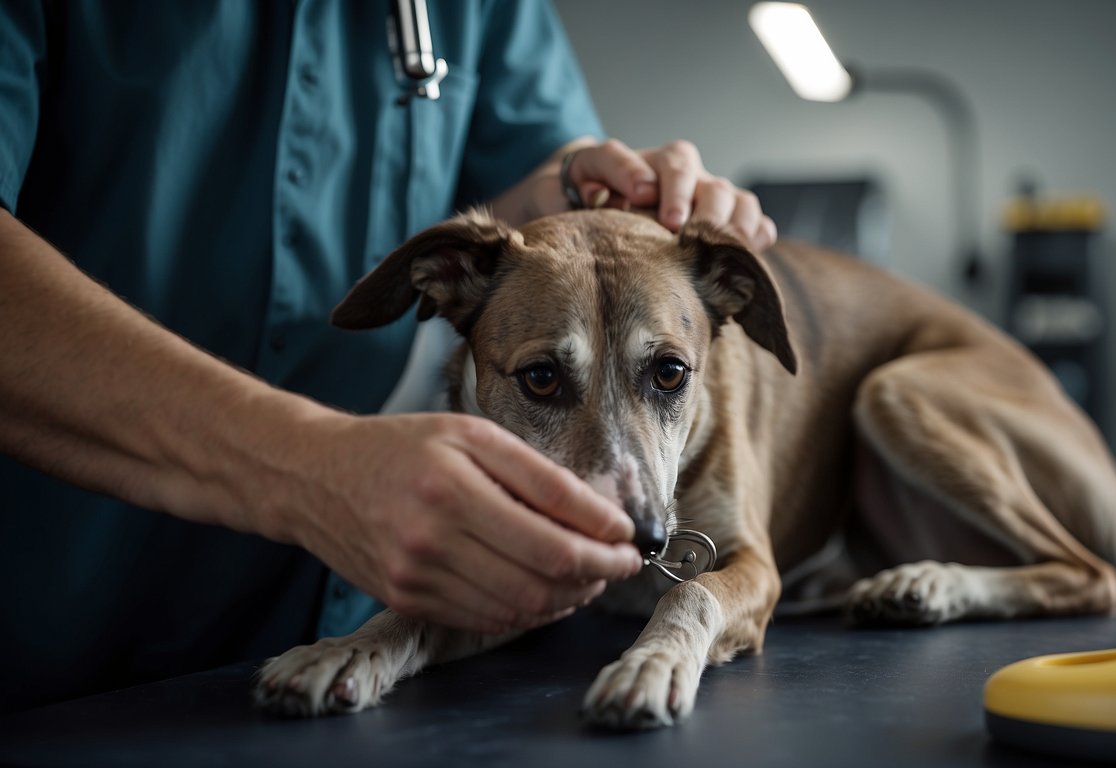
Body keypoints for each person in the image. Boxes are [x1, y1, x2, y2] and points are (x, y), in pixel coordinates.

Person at [0, 1, 776, 713]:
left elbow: (533, 185)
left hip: (322, 598)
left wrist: (579, 177)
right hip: (50, 586)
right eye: (541, 377)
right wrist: (302, 467)